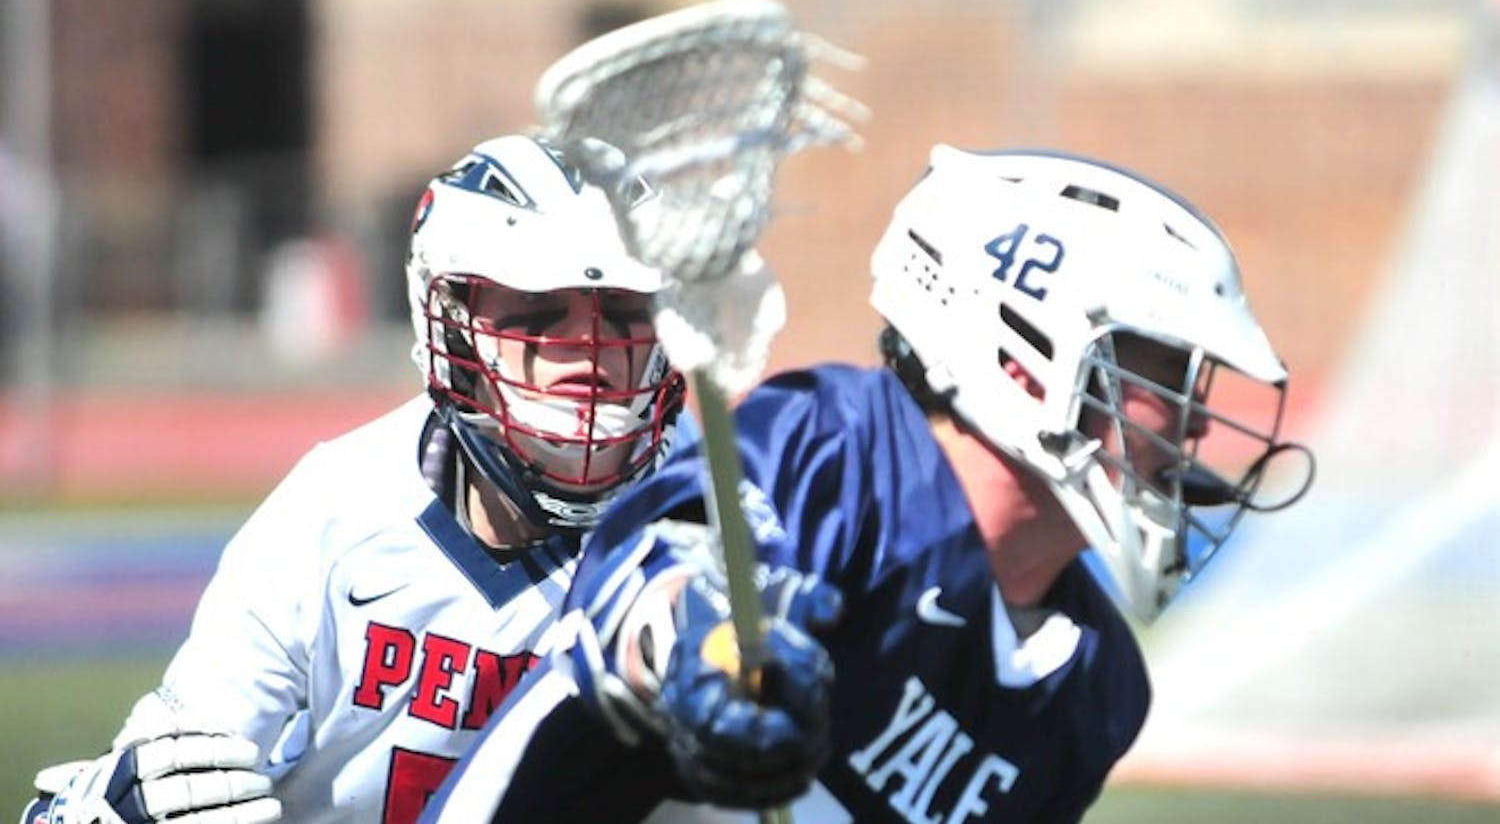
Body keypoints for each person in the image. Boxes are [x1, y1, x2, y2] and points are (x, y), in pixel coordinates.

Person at [420, 144, 1315, 823]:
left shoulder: (1096, 686)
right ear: (1027, 359)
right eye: (1166, 379)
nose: (1196, 425)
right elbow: (655, 583)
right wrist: (709, 642)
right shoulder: (840, 449)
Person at [21, 133, 696, 824]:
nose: (586, 353)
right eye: (536, 309)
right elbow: (172, 770)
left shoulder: (712, 519)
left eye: (624, 310)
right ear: (451, 324)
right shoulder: (336, 512)